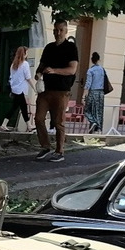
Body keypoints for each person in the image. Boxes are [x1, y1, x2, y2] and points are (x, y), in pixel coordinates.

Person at [33, 18, 79, 163]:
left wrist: (54, 71)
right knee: (38, 118)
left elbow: (72, 70)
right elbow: (41, 66)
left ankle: (60, 151)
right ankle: (45, 146)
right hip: (45, 90)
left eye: (60, 30)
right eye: (55, 30)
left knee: (58, 122)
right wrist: (39, 74)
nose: (57, 33)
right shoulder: (49, 48)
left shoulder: (71, 48)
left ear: (66, 31)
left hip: (61, 90)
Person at [0, 46, 33, 131]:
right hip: (21, 89)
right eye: (27, 52)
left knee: (15, 107)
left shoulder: (13, 65)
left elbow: (12, 77)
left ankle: (5, 123)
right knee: (23, 107)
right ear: (24, 53)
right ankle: (29, 125)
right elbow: (28, 78)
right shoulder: (25, 64)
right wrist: (34, 88)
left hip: (15, 89)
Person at [81, 52, 108, 133]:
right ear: (99, 59)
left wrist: (83, 96)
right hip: (101, 93)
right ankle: (98, 130)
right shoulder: (102, 70)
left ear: (92, 60)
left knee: (87, 110)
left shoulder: (90, 70)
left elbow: (88, 84)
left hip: (93, 92)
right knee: (99, 112)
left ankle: (93, 122)